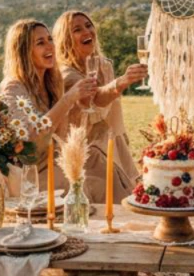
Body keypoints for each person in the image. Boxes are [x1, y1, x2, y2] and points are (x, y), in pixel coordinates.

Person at [52, 11, 147, 203]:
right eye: (77, 29)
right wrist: (121, 82)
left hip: (113, 144)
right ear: (65, 40)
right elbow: (95, 100)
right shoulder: (66, 75)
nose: (87, 31)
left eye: (88, 25)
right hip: (87, 154)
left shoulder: (104, 66)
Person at [0, 18, 97, 192]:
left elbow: (63, 135)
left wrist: (79, 104)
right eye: (40, 43)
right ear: (23, 52)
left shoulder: (52, 83)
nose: (50, 46)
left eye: (49, 39)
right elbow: (30, 140)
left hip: (54, 165)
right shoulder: (14, 87)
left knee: (95, 173)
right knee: (85, 187)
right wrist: (68, 99)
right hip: (29, 175)